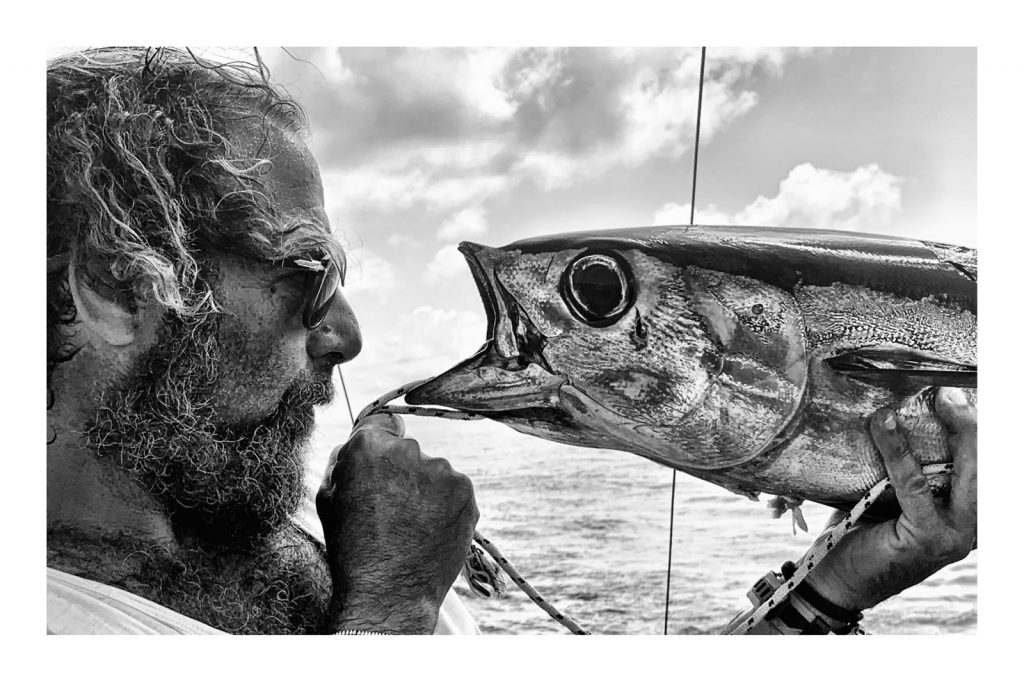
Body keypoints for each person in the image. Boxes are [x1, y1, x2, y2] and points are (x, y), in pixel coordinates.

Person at [46, 47, 977, 636]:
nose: (348, 333)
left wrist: (840, 584)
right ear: (120, 287)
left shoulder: (260, 522)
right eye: (305, 274)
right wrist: (397, 606)